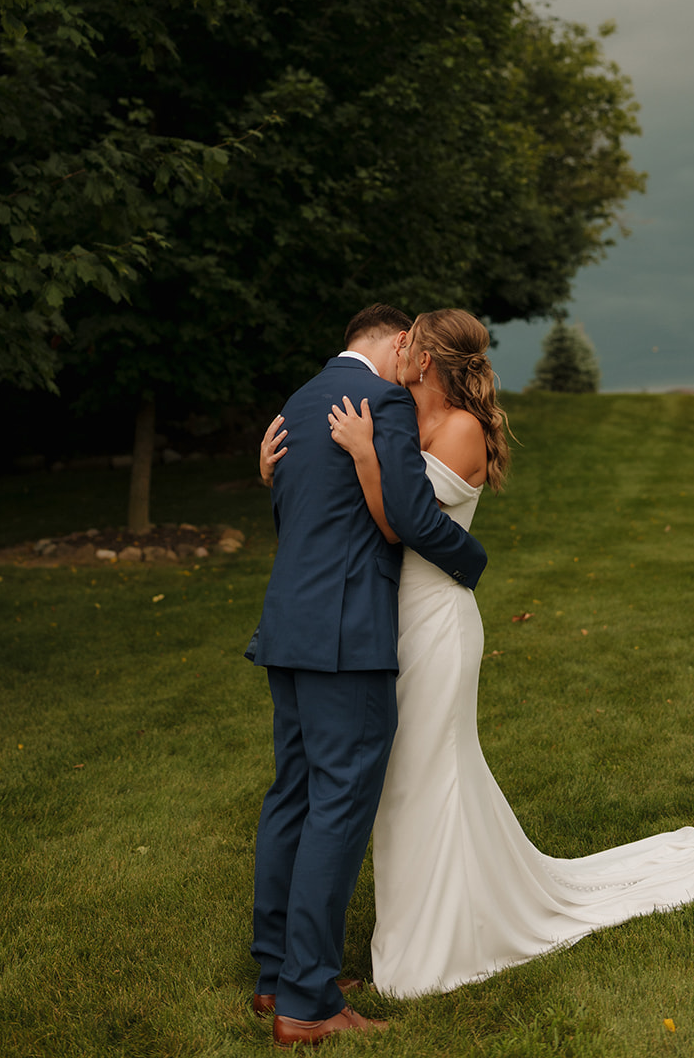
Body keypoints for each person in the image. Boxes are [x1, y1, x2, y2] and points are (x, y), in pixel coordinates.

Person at [262, 307, 694, 1002]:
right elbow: (340, 507)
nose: (402, 353)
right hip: (379, 620)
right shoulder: (393, 411)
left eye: (412, 345)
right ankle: (395, 935)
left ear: (427, 359)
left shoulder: (461, 428)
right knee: (395, 783)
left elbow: (402, 523)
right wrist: (284, 472)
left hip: (432, 620)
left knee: (424, 775)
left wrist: (366, 458)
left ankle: (429, 942)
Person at [247, 304, 488, 1046]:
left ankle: (274, 976)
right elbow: (411, 519)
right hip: (346, 637)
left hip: (288, 625)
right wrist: (472, 564)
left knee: (293, 792)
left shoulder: (299, 399)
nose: (409, 366)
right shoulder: (379, 399)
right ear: (392, 344)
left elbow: (302, 511)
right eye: (405, 352)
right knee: (339, 803)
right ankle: (309, 1003)